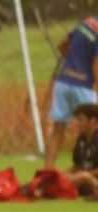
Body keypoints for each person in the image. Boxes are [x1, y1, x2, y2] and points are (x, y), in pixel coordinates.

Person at [45, 17, 98, 169]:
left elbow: (62, 46)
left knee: (58, 129)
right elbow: (96, 64)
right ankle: (91, 167)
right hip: (83, 86)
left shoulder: (85, 23)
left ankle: (46, 172)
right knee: (94, 126)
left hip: (63, 82)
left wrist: (73, 63)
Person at [66, 103, 98, 198]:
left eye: (80, 120)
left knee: (83, 176)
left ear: (93, 121)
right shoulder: (81, 139)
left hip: (90, 178)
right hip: (84, 179)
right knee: (56, 178)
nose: (76, 123)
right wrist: (63, 174)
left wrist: (86, 175)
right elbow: (77, 165)